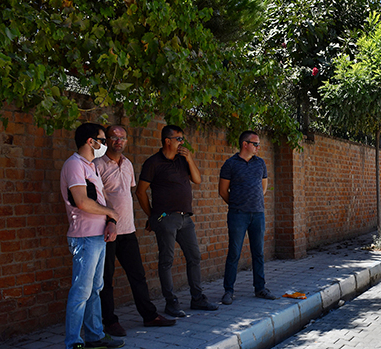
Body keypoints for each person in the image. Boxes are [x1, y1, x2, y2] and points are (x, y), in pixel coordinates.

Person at [94, 125, 176, 336]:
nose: (118, 141)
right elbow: (96, 199)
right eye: (113, 137)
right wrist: (109, 220)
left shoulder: (128, 164)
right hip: (106, 231)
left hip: (128, 230)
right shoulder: (97, 165)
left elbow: (127, 193)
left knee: (137, 275)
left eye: (122, 137)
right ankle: (109, 321)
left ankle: (149, 316)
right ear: (107, 141)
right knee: (106, 278)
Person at [60, 123, 124, 349]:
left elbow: (98, 199)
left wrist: (110, 220)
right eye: (101, 140)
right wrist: (111, 212)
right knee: (81, 292)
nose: (104, 145)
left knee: (95, 288)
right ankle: (72, 345)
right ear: (90, 141)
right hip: (84, 237)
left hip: (98, 236)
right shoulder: (74, 165)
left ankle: (95, 336)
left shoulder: (91, 167)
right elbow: (81, 201)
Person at [136, 125, 218, 317]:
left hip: (185, 218)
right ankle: (171, 302)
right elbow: (140, 192)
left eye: (183, 139)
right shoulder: (153, 163)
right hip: (166, 218)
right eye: (179, 139)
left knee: (194, 256)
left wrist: (189, 158)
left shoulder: (183, 160)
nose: (182, 142)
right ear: (167, 141)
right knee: (167, 260)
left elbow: (197, 180)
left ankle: (197, 298)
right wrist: (153, 216)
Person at [218, 131, 276, 305]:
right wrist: (237, 204)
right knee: (234, 252)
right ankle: (228, 291)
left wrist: (252, 202)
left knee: (258, 253)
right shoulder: (230, 164)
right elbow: (222, 191)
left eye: (258, 144)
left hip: (258, 214)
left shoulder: (260, 164)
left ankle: (260, 288)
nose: (258, 147)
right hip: (238, 215)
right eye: (255, 144)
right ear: (245, 144)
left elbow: (263, 188)